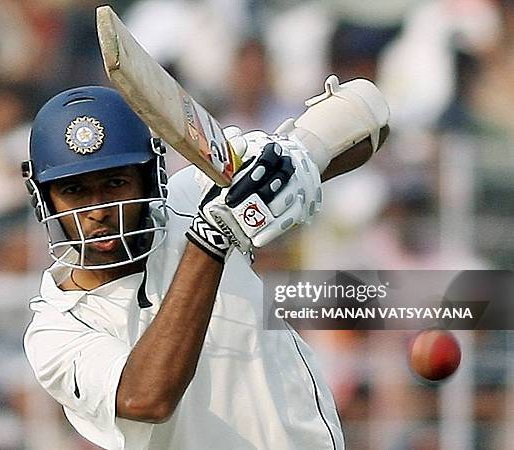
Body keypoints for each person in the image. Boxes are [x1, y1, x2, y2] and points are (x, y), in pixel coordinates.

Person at [22, 85, 348, 449]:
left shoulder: (192, 194)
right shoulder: (55, 332)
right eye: (75, 191)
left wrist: (295, 158)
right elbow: (146, 397)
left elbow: (367, 118)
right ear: (44, 201)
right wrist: (212, 237)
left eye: (115, 184)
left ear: (149, 178)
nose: (99, 211)